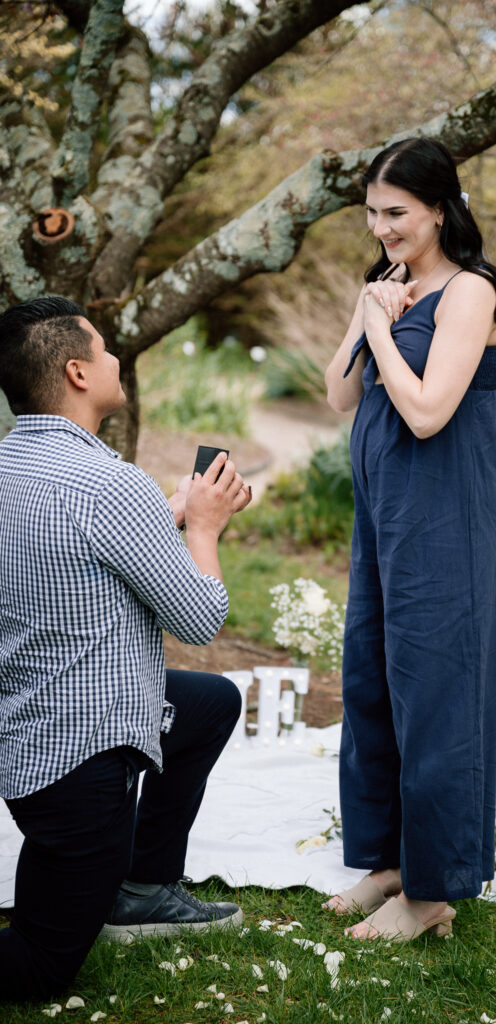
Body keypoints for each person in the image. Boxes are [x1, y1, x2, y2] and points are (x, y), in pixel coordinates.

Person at [0, 296, 252, 1000]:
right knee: (39, 970)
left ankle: (142, 885)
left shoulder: (12, 465)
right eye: (107, 350)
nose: (118, 361)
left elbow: (78, 545)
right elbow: (200, 617)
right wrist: (202, 528)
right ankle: (109, 886)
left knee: (206, 704)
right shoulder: (112, 485)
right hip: (77, 767)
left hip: (27, 723)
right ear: (79, 373)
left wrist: (164, 517)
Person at [323, 137, 496, 941]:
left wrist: (380, 330)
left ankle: (434, 888)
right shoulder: (392, 284)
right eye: (372, 213)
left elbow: (428, 410)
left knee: (435, 689)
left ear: (440, 207)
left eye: (396, 212)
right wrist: (367, 310)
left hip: (443, 516)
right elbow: (339, 395)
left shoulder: (472, 291)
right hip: (385, 515)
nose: (382, 228)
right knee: (373, 677)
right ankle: (393, 860)